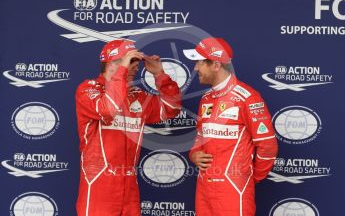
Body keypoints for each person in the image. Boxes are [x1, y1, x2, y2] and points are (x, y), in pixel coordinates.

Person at [75, 40, 181, 216]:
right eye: (130, 61)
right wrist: (122, 72)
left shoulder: (137, 96)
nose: (136, 67)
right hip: (98, 185)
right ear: (111, 62)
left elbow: (172, 109)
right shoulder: (89, 89)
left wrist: (160, 75)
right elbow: (108, 109)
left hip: (129, 186)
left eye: (136, 62)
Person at [183, 37, 278, 216]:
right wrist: (194, 154)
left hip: (233, 189)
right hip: (204, 188)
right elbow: (200, 137)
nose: (195, 68)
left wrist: (247, 178)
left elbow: (267, 145)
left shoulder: (248, 98)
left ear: (216, 65)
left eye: (199, 63)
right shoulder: (206, 99)